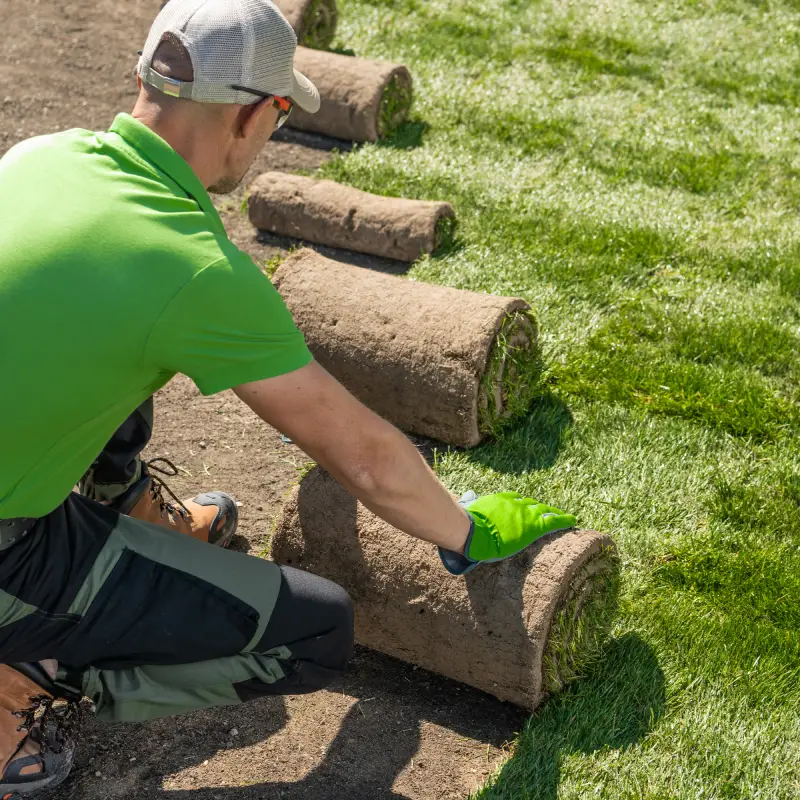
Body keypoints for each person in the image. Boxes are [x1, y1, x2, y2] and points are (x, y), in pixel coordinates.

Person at [0, 0, 576, 796]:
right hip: (7, 553)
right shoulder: (194, 268)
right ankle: (28, 678)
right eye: (279, 114)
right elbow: (365, 460)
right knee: (314, 632)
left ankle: (125, 510)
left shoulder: (42, 158)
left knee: (108, 346)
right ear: (254, 114)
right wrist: (465, 530)